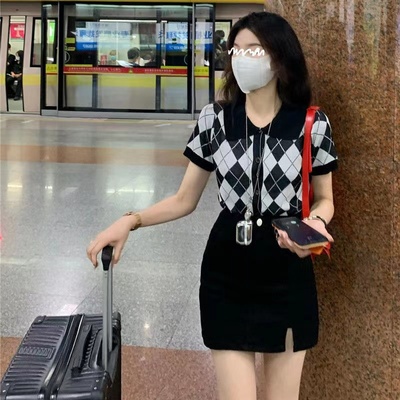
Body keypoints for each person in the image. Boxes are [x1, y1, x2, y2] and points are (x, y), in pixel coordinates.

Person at [87, 11, 338, 400]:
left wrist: (315, 225)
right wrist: (130, 221)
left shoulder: (311, 124)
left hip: (287, 273)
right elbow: (183, 199)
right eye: (236, 49)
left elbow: (324, 199)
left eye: (253, 49)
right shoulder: (215, 120)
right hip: (227, 273)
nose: (241, 58)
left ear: (279, 57)